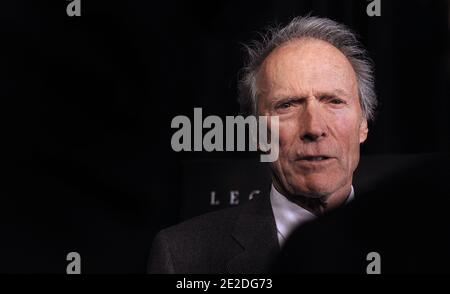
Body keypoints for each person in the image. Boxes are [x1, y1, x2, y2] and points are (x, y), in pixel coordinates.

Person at [148, 15, 377, 274]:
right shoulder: (181, 257)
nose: (314, 128)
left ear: (363, 124)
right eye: (287, 105)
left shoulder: (424, 243)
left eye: (334, 101)